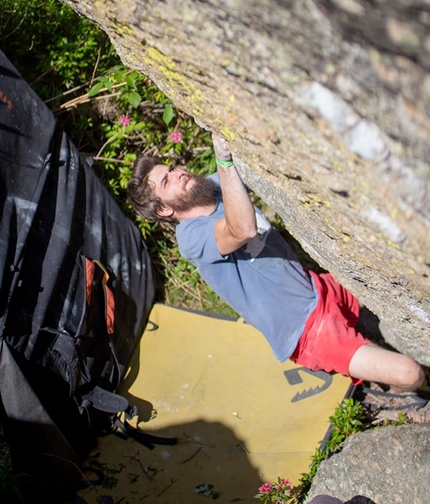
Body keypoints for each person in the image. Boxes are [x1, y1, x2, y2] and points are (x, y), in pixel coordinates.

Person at [127, 133, 426, 393]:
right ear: (164, 210)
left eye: (172, 168)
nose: (178, 173)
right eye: (167, 181)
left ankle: (372, 368)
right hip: (307, 332)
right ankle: (395, 386)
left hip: (320, 288)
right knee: (410, 373)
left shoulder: (214, 187)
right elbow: (240, 229)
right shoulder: (191, 239)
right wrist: (225, 161)